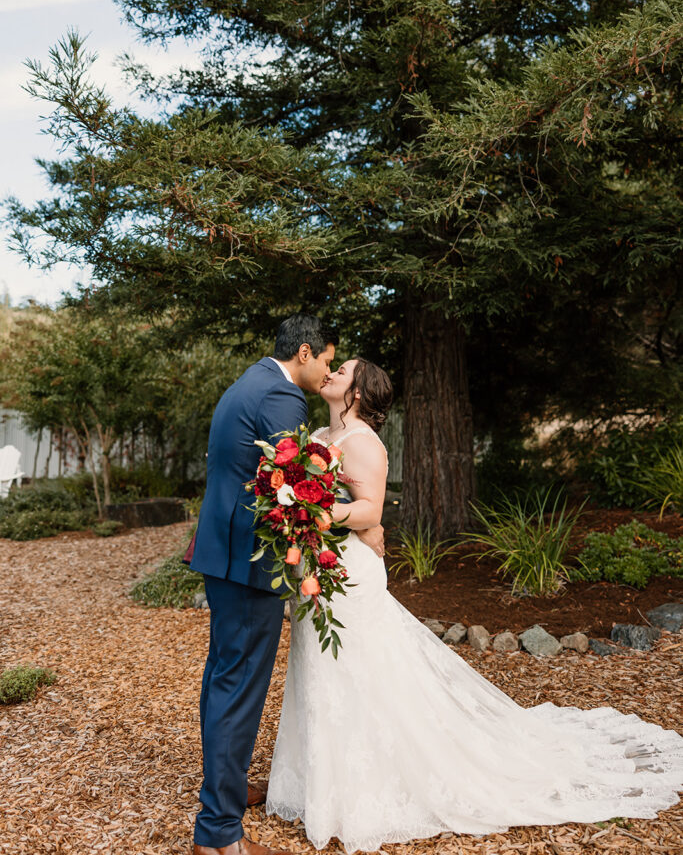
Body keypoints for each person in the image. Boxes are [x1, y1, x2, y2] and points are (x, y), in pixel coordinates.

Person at [266, 357, 683, 854]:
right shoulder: (319, 433)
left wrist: (311, 508)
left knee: (355, 670)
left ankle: (367, 784)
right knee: (317, 666)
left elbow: (371, 511)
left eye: (343, 371)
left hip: (349, 573)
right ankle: (319, 780)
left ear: (357, 393)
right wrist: (293, 505)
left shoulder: (363, 444)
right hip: (318, 568)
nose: (331, 374)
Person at [190, 317, 385, 855]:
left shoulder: (251, 380)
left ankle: (224, 793)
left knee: (223, 678)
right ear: (304, 352)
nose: (326, 371)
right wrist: (368, 524)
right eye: (326, 360)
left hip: (223, 551)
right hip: (248, 561)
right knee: (238, 686)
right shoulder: (282, 397)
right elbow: (293, 489)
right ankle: (219, 835)